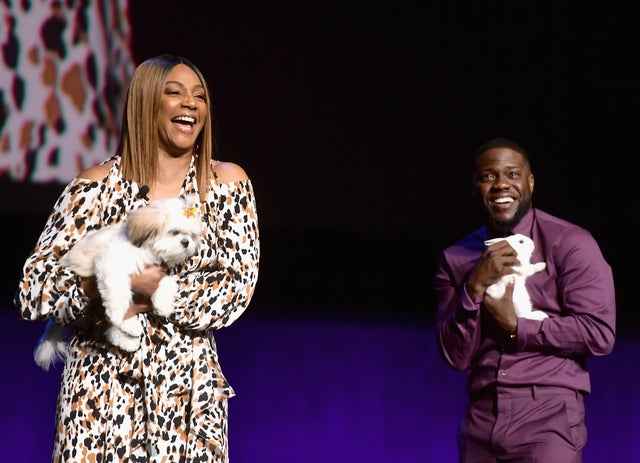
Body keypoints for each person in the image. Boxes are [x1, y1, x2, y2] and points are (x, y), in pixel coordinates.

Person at [14, 54, 260, 462]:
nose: (191, 104)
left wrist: (150, 293)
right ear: (147, 102)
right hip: (98, 395)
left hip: (185, 397)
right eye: (175, 93)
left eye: (199, 96)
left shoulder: (226, 185)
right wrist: (110, 286)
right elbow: (33, 290)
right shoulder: (94, 188)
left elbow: (235, 288)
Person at [435, 137, 615, 462]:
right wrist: (473, 288)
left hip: (548, 413)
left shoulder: (569, 243)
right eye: (488, 176)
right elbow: (455, 356)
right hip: (482, 416)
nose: (501, 183)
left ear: (530, 182)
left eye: (512, 174)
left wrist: (519, 328)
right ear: (475, 187)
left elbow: (599, 333)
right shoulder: (456, 258)